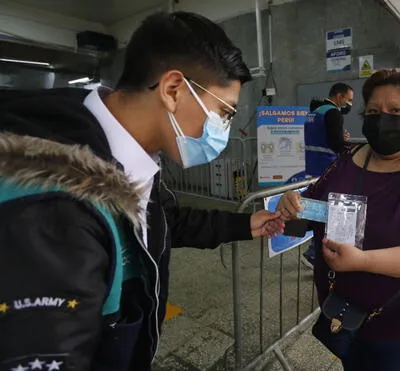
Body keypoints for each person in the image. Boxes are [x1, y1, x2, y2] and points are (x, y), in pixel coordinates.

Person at [0, 12, 285, 371]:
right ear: (172, 90)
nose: (224, 129)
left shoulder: (123, 149)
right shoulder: (56, 211)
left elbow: (163, 222)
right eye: (224, 112)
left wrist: (244, 225)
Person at [277, 70, 400, 371]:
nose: (383, 119)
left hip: (399, 325)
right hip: (343, 312)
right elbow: (313, 202)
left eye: (396, 111)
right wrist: (292, 204)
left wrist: (364, 260)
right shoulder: (349, 157)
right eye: (373, 111)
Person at [302, 83, 355, 268]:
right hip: (328, 168)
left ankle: (313, 251)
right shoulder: (333, 113)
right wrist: (353, 151)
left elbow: (320, 137)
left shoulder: (314, 112)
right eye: (348, 100)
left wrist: (340, 137)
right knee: (329, 213)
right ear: (339, 96)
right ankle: (312, 253)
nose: (349, 104)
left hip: (312, 168)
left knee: (320, 211)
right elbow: (335, 144)